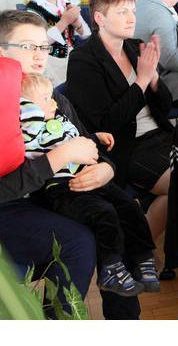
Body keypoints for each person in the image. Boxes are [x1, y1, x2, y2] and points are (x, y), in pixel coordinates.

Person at [0, 9, 138, 319]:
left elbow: (84, 140)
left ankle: (124, 322)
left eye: (43, 46)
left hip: (50, 193)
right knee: (80, 241)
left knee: (118, 214)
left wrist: (106, 168)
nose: (39, 55)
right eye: (28, 47)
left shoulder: (51, 96)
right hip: (2, 207)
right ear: (0, 53)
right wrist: (61, 156)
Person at [20, 73, 159, 297]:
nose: (53, 103)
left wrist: (94, 138)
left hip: (88, 174)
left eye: (51, 97)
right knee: (104, 213)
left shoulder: (58, 117)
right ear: (26, 108)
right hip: (62, 188)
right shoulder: (30, 131)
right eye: (45, 99)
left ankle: (143, 256)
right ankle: (111, 267)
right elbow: (38, 144)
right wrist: (30, 111)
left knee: (129, 205)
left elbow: (74, 138)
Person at [66, 0, 173, 243]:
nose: (131, 18)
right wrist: (141, 81)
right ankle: (139, 245)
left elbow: (165, 106)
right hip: (125, 147)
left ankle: (141, 241)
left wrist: (154, 79)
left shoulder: (135, 46)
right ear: (99, 18)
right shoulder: (83, 59)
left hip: (160, 134)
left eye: (132, 11)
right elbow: (105, 123)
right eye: (122, 12)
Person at [26, 0, 91, 86]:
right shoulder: (33, 9)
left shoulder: (65, 0)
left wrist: (78, 24)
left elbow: (86, 35)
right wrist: (65, 21)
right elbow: (40, 42)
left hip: (72, 55)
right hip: (49, 60)